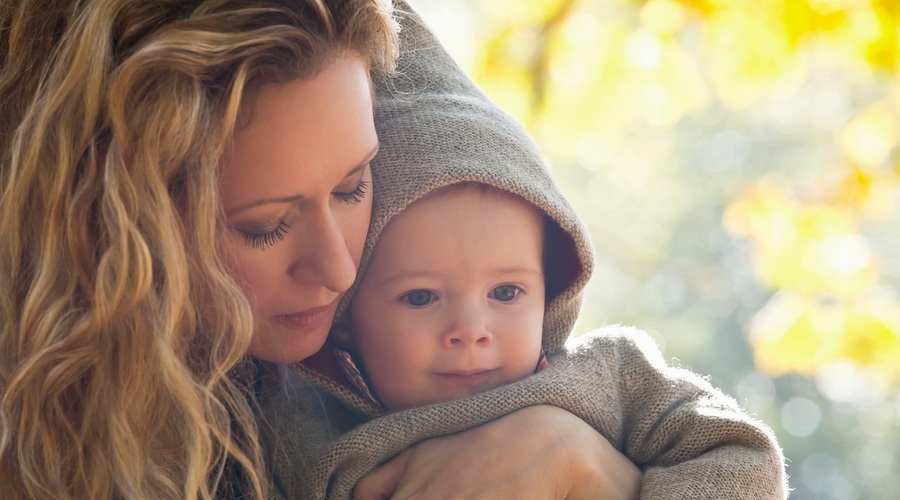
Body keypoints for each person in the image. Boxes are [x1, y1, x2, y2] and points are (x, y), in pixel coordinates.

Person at [0, 0, 644, 498]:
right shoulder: (275, 433)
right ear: (108, 228)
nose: (340, 270)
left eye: (353, 186)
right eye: (264, 226)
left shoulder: (593, 379)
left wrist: (587, 467)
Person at [262, 3, 789, 499]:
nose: (470, 329)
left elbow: (748, 464)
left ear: (550, 289)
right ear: (349, 317)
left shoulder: (605, 378)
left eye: (506, 291)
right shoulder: (293, 428)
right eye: (420, 297)